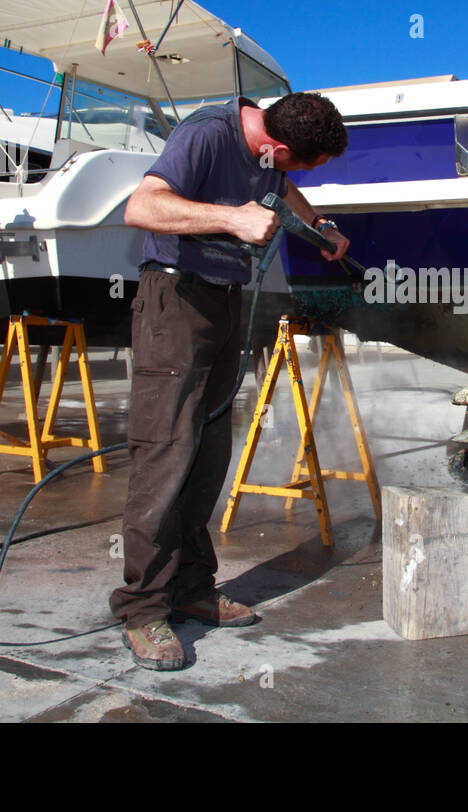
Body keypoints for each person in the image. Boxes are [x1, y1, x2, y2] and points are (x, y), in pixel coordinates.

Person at [111, 91, 349, 670]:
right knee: (165, 455)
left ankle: (192, 588)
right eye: (298, 163)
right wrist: (231, 218)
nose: (291, 176)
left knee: (207, 451)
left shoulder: (265, 149)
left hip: (222, 299)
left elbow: (283, 188)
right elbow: (141, 207)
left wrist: (319, 225)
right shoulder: (206, 133)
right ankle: (143, 609)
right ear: (279, 146)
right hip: (174, 297)